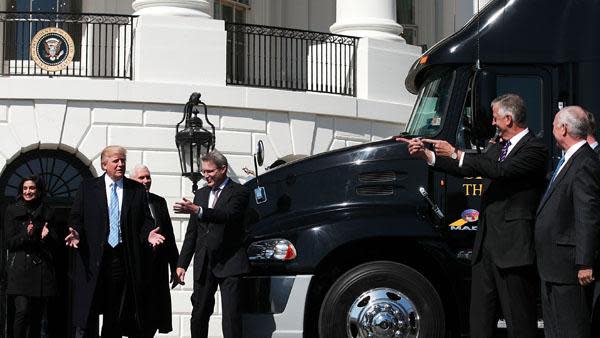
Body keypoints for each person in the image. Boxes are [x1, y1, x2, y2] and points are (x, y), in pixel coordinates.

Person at [398, 93, 548, 337]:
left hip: (513, 248)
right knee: (480, 318)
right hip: (485, 247)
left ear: (509, 119)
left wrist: (457, 153)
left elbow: (501, 171)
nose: (492, 122)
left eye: (495, 117)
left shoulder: (535, 149)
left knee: (519, 320)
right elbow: (472, 166)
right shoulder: (497, 145)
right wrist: (428, 155)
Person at [65, 145, 165, 338]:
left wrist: (148, 235)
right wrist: (75, 232)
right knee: (87, 314)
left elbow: (145, 220)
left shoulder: (135, 189)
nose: (120, 164)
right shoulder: (87, 187)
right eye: (116, 161)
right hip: (93, 260)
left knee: (115, 315)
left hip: (121, 259)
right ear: (104, 165)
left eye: (123, 161)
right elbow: (76, 217)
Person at [535, 106, 600, 338]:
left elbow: (587, 214)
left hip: (569, 267)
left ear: (563, 129)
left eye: (554, 124)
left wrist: (585, 262)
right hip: (553, 266)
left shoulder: (585, 163)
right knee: (554, 329)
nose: (552, 128)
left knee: (571, 328)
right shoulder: (568, 160)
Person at [174, 150, 250, 338]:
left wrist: (199, 210)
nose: (205, 176)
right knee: (199, 315)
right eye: (203, 172)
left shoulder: (239, 192)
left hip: (230, 262)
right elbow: (193, 232)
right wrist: (181, 264)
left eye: (210, 171)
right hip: (204, 263)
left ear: (223, 169)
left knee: (231, 318)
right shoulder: (200, 193)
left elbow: (228, 216)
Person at [131, 164, 180, 337]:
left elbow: (169, 236)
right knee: (134, 321)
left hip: (157, 270)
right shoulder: (126, 202)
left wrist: (176, 266)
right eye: (141, 177)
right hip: (135, 270)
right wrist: (145, 239)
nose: (146, 181)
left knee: (153, 319)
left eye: (148, 177)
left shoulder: (159, 201)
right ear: (132, 180)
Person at [4, 176, 56, 338]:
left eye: (32, 188)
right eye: (25, 188)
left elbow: (56, 244)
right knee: (22, 311)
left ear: (39, 191)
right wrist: (26, 235)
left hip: (40, 270)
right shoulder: (12, 210)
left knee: (37, 316)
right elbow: (9, 243)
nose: (28, 191)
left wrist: (47, 236)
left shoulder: (48, 211)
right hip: (19, 270)